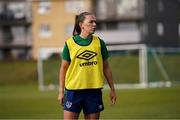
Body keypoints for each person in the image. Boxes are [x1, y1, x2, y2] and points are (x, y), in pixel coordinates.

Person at [58, 12, 116, 120]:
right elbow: (63, 68)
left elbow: (106, 67)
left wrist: (112, 89)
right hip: (73, 91)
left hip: (94, 92)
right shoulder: (69, 44)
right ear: (81, 25)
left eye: (95, 22)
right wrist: (61, 91)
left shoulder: (99, 43)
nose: (94, 24)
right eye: (91, 22)